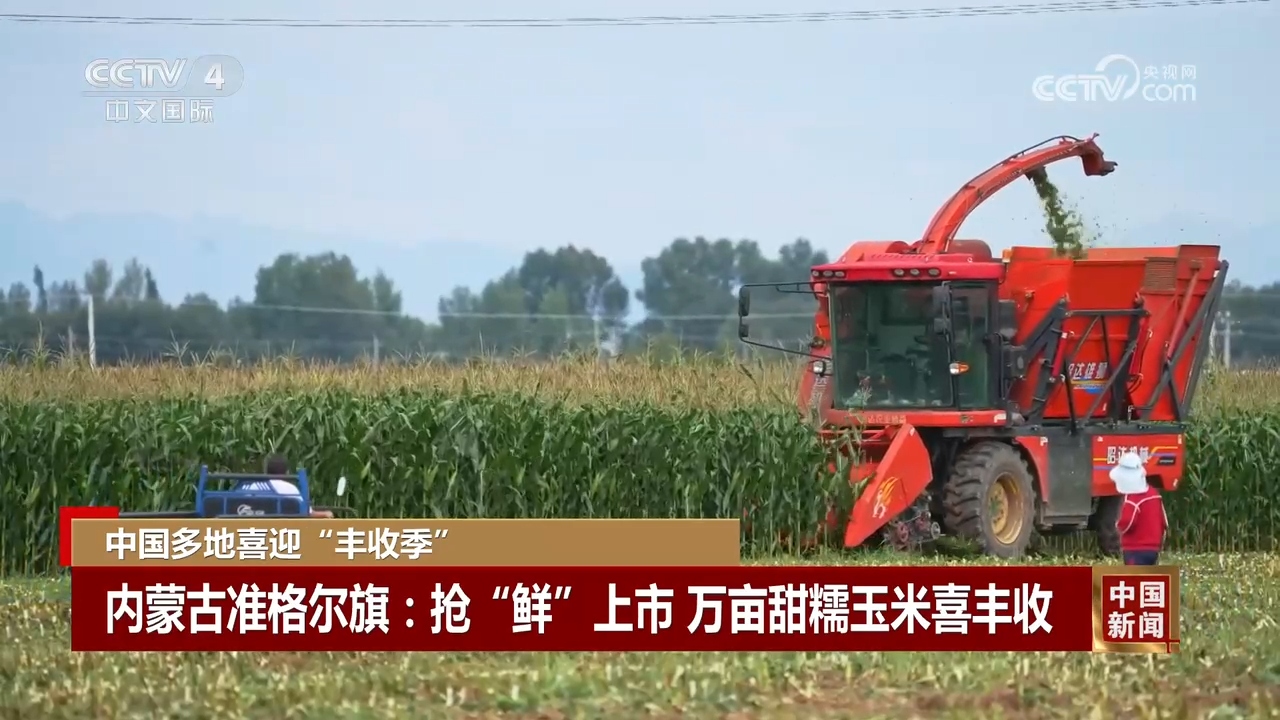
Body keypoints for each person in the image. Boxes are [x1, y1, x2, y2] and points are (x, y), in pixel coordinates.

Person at [1108, 451, 1167, 565]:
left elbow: (1127, 522)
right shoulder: (1154, 494)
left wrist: (1118, 526)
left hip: (1135, 549)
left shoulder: (1133, 498)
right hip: (1153, 549)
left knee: (1135, 579)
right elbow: (1164, 521)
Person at [236, 454, 333, 518]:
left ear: (267, 471)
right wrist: (325, 514)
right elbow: (307, 513)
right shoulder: (290, 489)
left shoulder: (254, 486)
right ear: (286, 472)